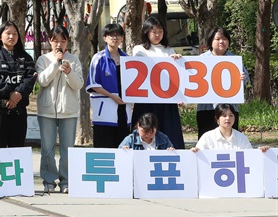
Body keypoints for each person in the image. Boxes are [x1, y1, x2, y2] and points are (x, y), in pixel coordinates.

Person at [35, 26, 83, 193]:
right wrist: (56, 63)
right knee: (47, 147)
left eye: (63, 41)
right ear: (50, 41)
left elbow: (79, 84)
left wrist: (69, 72)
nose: (59, 44)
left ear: (67, 42)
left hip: (68, 111)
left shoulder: (74, 60)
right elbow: (42, 81)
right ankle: (48, 180)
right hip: (47, 111)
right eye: (56, 40)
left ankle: (66, 181)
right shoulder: (43, 59)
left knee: (67, 148)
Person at [131, 17, 185, 149]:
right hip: (147, 98)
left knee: (169, 128)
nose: (157, 35)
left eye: (160, 31)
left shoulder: (168, 50)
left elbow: (176, 74)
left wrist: (177, 59)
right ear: (146, 32)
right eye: (153, 31)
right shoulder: (139, 49)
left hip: (166, 98)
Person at [0, 21, 37, 148]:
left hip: (19, 110)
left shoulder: (26, 57)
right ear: (0, 36)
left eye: (15, 34)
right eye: (8, 33)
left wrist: (18, 94)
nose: (11, 37)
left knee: (17, 148)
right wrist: (10, 93)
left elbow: (31, 76)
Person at [196, 27, 250, 139]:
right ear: (211, 41)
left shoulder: (234, 59)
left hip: (230, 108)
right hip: (207, 109)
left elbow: (246, 79)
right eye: (218, 39)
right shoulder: (201, 59)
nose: (221, 41)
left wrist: (241, 78)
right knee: (207, 140)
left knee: (230, 139)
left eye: (224, 39)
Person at [86, 23, 131, 148]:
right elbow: (93, 84)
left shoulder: (127, 59)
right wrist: (111, 96)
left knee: (123, 149)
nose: (115, 38)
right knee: (104, 147)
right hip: (104, 112)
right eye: (111, 35)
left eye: (118, 35)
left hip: (124, 109)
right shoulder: (98, 58)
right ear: (105, 38)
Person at [192, 104, 270, 153]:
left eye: (231, 115)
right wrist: (194, 152)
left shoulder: (241, 138)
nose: (228, 118)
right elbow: (199, 157)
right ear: (217, 119)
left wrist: (261, 152)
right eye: (224, 116)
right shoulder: (207, 137)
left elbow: (251, 157)